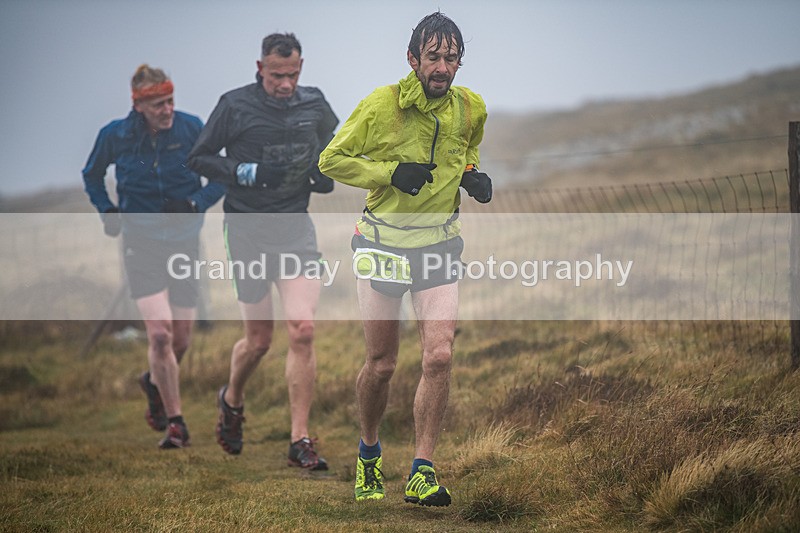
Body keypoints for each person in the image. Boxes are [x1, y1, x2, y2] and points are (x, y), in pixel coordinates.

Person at [318, 11, 492, 505]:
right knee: (382, 363)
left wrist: (471, 175)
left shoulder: (471, 106)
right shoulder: (382, 104)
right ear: (413, 59)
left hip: (438, 242)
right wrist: (390, 173)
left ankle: (422, 470)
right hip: (382, 244)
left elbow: (467, 149)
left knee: (439, 355)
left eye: (451, 57)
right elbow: (331, 159)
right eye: (433, 57)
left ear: (460, 61)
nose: (442, 67)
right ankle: (369, 452)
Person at [187, 33, 338, 470]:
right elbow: (199, 158)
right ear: (260, 68)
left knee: (303, 329)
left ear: (301, 67)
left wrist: (325, 170)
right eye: (277, 76)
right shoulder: (234, 105)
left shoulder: (314, 103)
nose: (286, 84)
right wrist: (246, 171)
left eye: (293, 75)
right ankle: (232, 398)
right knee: (258, 341)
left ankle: (300, 440)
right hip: (248, 231)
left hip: (295, 231)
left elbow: (336, 144)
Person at [82, 64, 226, 449]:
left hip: (183, 243)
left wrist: (195, 203)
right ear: (139, 104)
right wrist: (107, 211)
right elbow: (92, 175)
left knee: (180, 339)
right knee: (159, 333)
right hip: (139, 242)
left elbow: (222, 176)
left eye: (170, 101)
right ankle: (176, 423)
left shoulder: (191, 128)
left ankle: (151, 380)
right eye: (159, 104)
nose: (167, 110)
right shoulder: (115, 136)